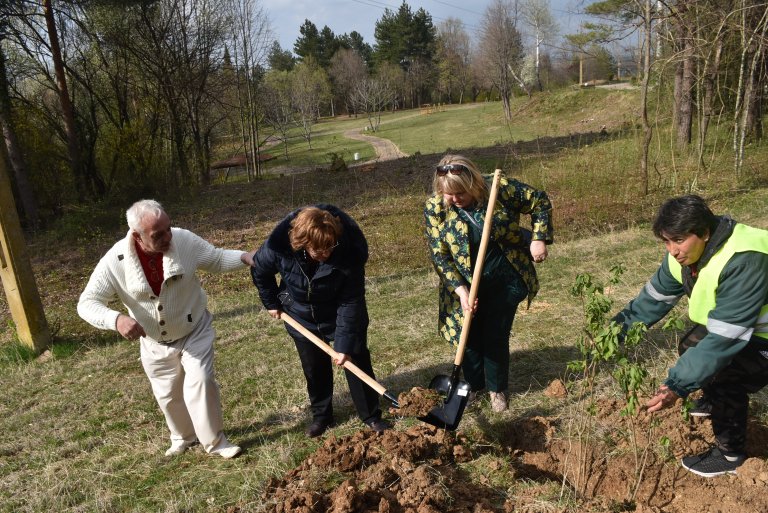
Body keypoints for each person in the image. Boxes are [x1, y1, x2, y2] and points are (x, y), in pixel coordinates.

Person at [78, 199, 253, 459]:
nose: (167, 237)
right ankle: (183, 437)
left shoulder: (183, 240)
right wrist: (116, 320)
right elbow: (87, 303)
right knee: (168, 394)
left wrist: (245, 257)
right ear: (137, 235)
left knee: (201, 381)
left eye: (168, 228)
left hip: (194, 328)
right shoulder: (114, 260)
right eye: (158, 234)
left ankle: (216, 443)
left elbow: (215, 259)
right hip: (153, 341)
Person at [613, 194, 768, 477]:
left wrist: (676, 385)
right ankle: (715, 400)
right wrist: (613, 333)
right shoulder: (684, 255)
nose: (672, 250)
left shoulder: (744, 259)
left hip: (759, 337)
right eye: (666, 241)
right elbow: (653, 300)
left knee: (725, 372)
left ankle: (730, 455)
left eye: (679, 240)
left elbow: (725, 341)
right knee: (691, 344)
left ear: (705, 232)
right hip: (741, 327)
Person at [424, 155, 554, 412]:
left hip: (503, 276)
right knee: (469, 336)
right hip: (463, 282)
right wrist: (461, 291)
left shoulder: (499, 188)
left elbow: (539, 201)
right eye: (448, 193)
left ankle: (497, 390)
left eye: (460, 192)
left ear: (473, 182)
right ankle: (474, 386)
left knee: (495, 335)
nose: (454, 199)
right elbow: (439, 253)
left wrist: (538, 238)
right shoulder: (435, 207)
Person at [248, 204, 390, 438]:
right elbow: (260, 271)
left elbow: (351, 301)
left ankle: (371, 416)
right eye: (319, 249)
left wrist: (343, 347)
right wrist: (271, 302)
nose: (326, 253)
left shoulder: (349, 251)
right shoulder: (279, 247)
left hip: (338, 308)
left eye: (330, 246)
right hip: (300, 311)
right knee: (314, 367)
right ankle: (322, 416)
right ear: (302, 242)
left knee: (355, 357)